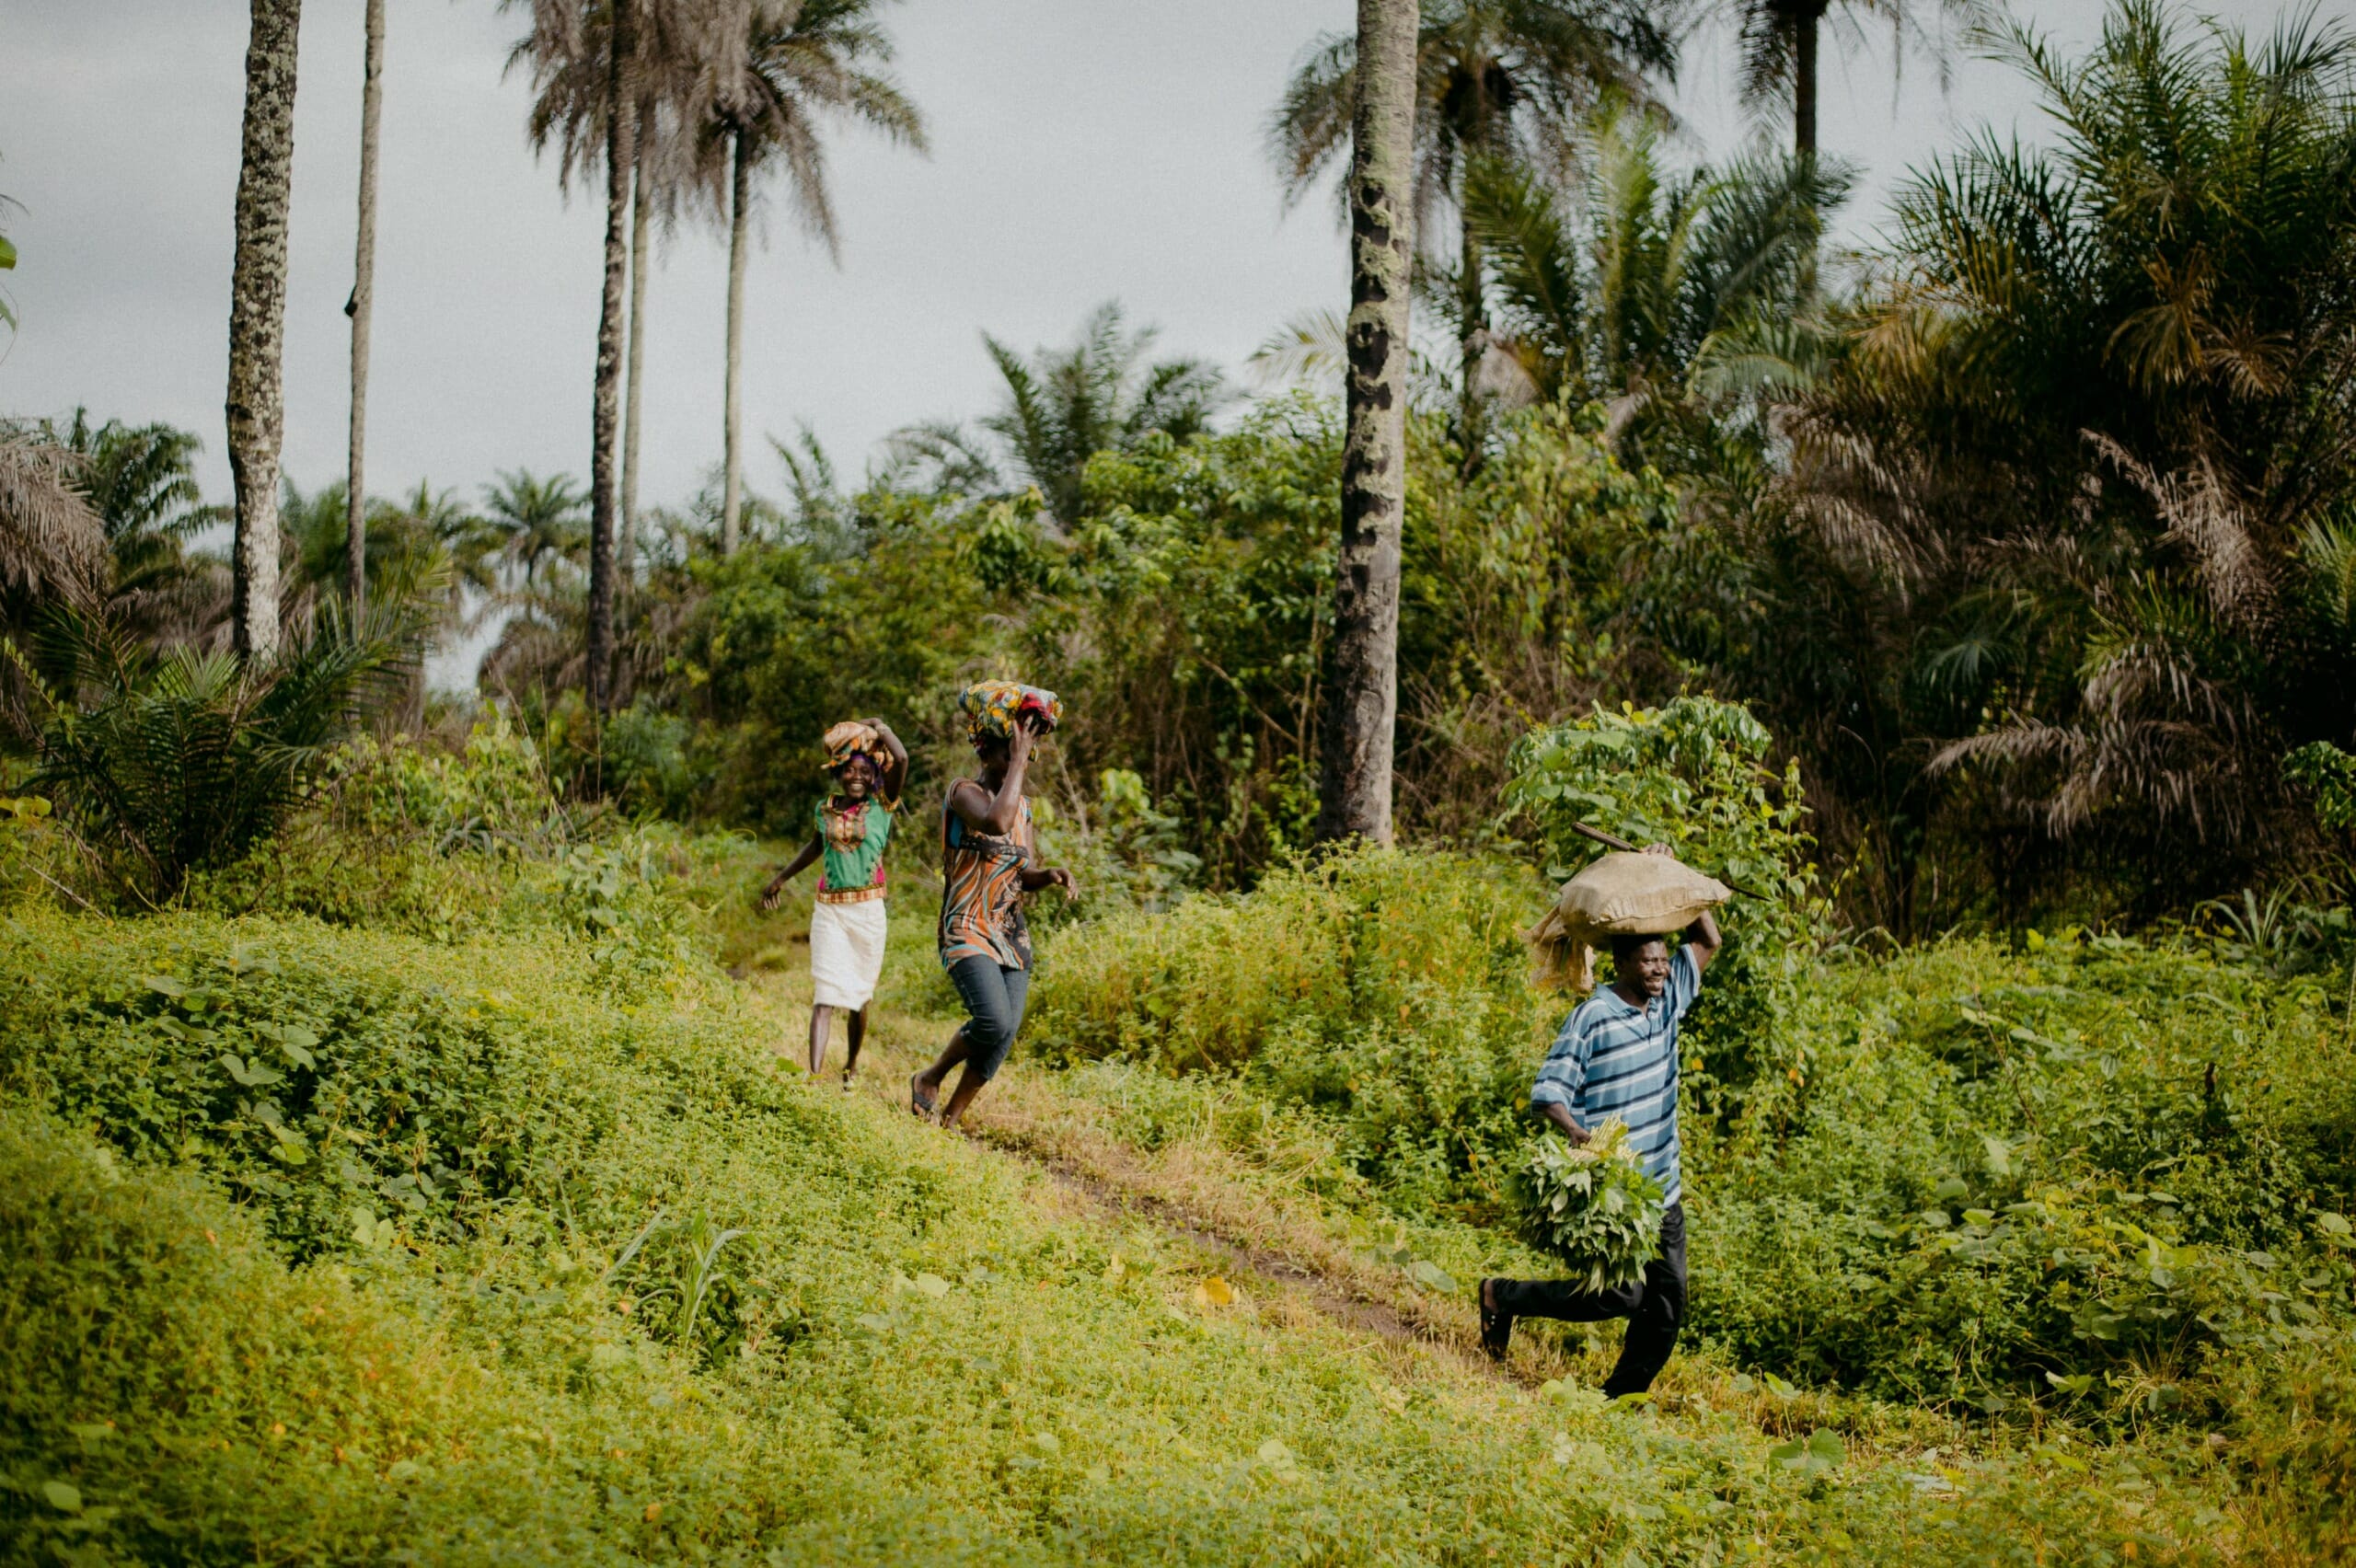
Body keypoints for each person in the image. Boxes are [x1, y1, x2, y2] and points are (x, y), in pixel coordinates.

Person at [1479, 842, 1723, 1396]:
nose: (1661, 968)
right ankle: (1500, 1295)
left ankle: (1619, 1400)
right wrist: (1577, 1132)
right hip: (1617, 1196)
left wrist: (1668, 870)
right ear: (1622, 963)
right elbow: (1549, 1094)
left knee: (1667, 1305)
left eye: (1664, 959)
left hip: (1663, 1191)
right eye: (1649, 960)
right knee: (1620, 1297)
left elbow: (1707, 938)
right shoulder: (1592, 1017)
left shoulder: (1668, 1001)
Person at [910, 682, 1077, 1128]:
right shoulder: (963, 793)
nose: (1018, 769)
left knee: (1005, 1034)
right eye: (1010, 758)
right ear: (987, 753)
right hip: (965, 926)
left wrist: (1050, 876)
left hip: (1010, 934)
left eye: (1021, 760)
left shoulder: (1023, 808)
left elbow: (1021, 872)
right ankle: (929, 1077)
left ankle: (951, 1120)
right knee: (992, 1019)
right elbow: (995, 822)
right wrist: (1020, 758)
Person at [760, 719, 909, 1089]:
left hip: (868, 913)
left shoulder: (882, 806)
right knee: (825, 994)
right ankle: (813, 1077)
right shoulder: (824, 809)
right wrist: (781, 878)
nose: (856, 777)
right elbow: (816, 847)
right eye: (849, 770)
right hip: (829, 910)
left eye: (864, 771)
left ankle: (850, 1067)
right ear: (839, 773)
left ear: (874, 776)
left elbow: (902, 758)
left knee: (859, 998)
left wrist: (880, 727)